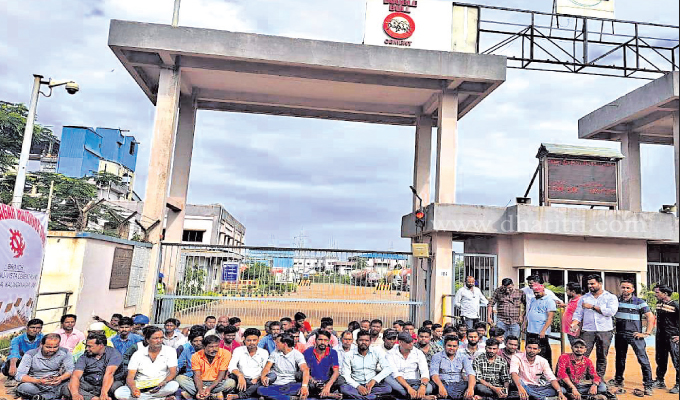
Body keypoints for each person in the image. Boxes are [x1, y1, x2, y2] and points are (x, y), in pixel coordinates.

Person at [609, 279, 655, 395]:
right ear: (620, 288)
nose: (625, 290)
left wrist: (646, 333)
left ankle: (648, 385)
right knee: (619, 359)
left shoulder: (639, 302)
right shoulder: (616, 301)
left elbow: (650, 317)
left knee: (643, 359)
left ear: (632, 289)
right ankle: (618, 380)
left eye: (628, 288)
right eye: (623, 287)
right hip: (620, 334)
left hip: (635, 336)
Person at [570, 274, 618, 379]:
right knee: (582, 354)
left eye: (592, 283)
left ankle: (598, 379)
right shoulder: (584, 298)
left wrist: (592, 307)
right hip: (588, 330)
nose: (590, 286)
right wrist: (574, 323)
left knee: (602, 356)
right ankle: (579, 377)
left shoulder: (610, 297)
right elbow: (578, 313)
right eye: (588, 284)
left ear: (600, 283)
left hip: (605, 330)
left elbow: (611, 312)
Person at [114, 326, 179, 400]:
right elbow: (130, 377)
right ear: (147, 340)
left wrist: (164, 382)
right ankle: (160, 399)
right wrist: (133, 388)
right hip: (141, 384)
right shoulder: (138, 354)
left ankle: (144, 398)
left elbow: (173, 373)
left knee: (173, 386)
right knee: (119, 393)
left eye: (161, 338)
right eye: (156, 338)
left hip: (160, 385)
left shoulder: (170, 351)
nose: (159, 341)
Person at [15, 333, 73, 400]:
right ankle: (48, 396)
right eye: (48, 347)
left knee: (72, 385)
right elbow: (19, 375)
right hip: (36, 384)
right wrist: (38, 381)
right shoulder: (30, 354)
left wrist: (60, 378)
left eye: (55, 347)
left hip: (56, 384)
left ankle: (41, 397)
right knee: (24, 387)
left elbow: (70, 370)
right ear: (41, 344)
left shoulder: (65, 352)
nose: (52, 350)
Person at [177, 335, 235, 400]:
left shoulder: (226, 354)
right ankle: (212, 395)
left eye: (216, 346)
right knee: (180, 378)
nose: (214, 349)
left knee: (231, 383)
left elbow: (221, 376)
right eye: (211, 347)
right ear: (204, 347)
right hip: (200, 382)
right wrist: (200, 390)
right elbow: (197, 376)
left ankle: (196, 394)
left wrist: (209, 388)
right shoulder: (196, 356)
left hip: (217, 383)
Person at [69, 332, 124, 400]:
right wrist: (75, 394)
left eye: (90, 346)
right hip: (90, 384)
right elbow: (76, 376)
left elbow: (109, 374)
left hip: (108, 384)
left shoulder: (114, 354)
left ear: (101, 345)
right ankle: (94, 398)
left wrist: (104, 393)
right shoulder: (84, 357)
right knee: (68, 387)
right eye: (86, 346)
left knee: (115, 388)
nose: (87, 349)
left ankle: (92, 397)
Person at [340, 330, 392, 399]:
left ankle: (361, 397)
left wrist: (374, 380)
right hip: (356, 384)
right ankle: (371, 397)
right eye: (361, 340)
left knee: (388, 388)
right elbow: (346, 375)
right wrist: (358, 386)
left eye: (366, 340)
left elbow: (387, 368)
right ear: (356, 341)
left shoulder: (376, 352)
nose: (363, 342)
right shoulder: (348, 355)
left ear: (370, 342)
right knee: (344, 388)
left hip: (372, 385)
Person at [257, 333, 310, 400]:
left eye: (278, 342)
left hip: (291, 384)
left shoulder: (297, 354)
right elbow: (267, 367)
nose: (275, 344)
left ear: (284, 344)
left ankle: (273, 396)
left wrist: (304, 386)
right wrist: (263, 376)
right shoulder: (275, 353)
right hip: (276, 384)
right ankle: (289, 398)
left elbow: (305, 369)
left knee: (304, 387)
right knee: (260, 389)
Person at [385, 331, 433, 398]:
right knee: (389, 381)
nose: (411, 344)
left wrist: (423, 386)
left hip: (415, 381)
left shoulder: (418, 352)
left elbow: (424, 371)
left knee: (428, 389)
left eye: (412, 341)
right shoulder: (390, 354)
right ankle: (420, 397)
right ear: (400, 342)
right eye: (408, 342)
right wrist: (409, 388)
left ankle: (412, 395)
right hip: (398, 381)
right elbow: (395, 374)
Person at [227, 328, 269, 400]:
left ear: (258, 340)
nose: (251, 343)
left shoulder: (264, 352)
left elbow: (265, 369)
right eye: (249, 340)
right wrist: (240, 376)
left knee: (272, 376)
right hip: (243, 380)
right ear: (244, 340)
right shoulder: (238, 350)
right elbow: (231, 366)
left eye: (254, 340)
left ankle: (241, 395)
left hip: (257, 380)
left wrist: (257, 378)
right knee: (232, 376)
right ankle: (256, 392)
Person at [429, 335, 476, 400]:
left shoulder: (463, 357)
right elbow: (434, 374)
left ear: (458, 347)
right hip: (443, 383)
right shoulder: (437, 356)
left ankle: (440, 396)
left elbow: (471, 373)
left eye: (454, 346)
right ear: (444, 345)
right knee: (432, 386)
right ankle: (458, 396)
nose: (451, 348)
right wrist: (441, 387)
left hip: (458, 384)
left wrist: (470, 388)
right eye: (449, 346)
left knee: (475, 386)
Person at [652, 284, 679, 394]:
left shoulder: (676, 305)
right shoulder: (658, 304)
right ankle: (660, 380)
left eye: (657, 292)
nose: (655, 294)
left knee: (677, 361)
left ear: (665, 293)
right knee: (660, 359)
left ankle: (678, 384)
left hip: (673, 338)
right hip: (660, 337)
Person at [302, 330, 342, 398]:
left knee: (341, 379)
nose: (323, 342)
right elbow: (305, 371)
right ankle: (327, 394)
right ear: (315, 340)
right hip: (313, 382)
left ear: (329, 341)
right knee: (301, 377)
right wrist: (312, 380)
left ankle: (323, 392)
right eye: (320, 340)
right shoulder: (308, 352)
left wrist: (327, 386)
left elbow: (336, 372)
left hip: (327, 381)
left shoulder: (333, 352)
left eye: (325, 340)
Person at [525, 283, 556, 365]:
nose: (536, 294)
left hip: (541, 331)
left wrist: (543, 330)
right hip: (531, 329)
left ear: (543, 291)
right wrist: (525, 323)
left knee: (543, 351)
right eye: (534, 293)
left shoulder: (549, 301)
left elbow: (550, 318)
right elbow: (529, 312)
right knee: (529, 350)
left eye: (537, 292)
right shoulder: (533, 299)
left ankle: (546, 368)